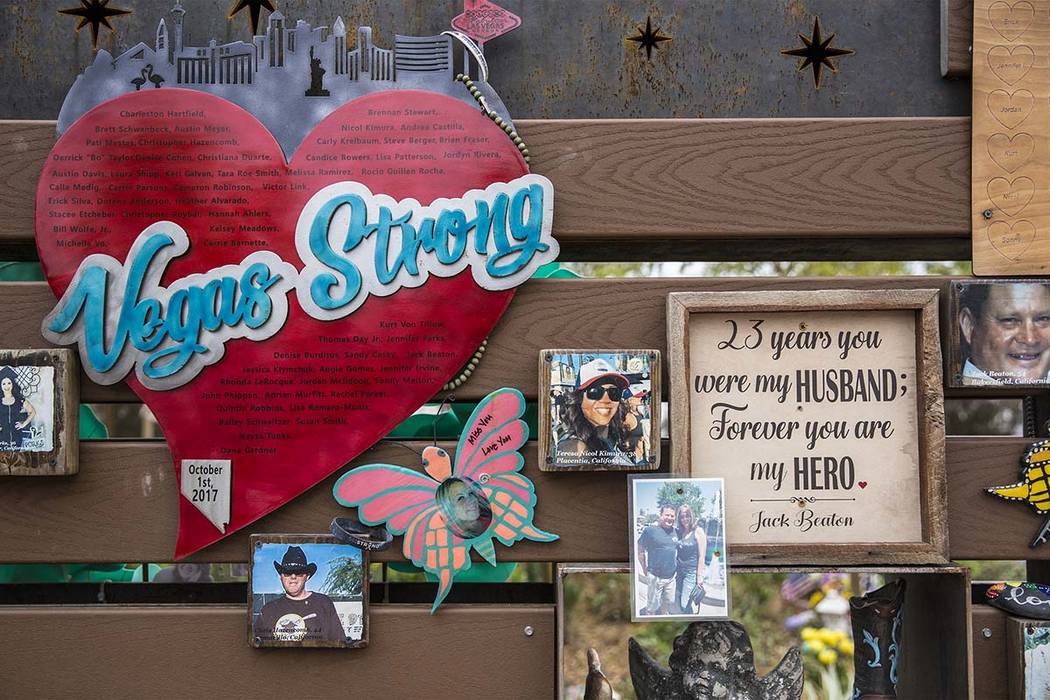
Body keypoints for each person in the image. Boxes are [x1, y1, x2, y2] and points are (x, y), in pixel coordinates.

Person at [959, 283, 1050, 385]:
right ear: (969, 325)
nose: (1030, 339)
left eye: (1043, 319)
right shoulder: (942, 396)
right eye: (1009, 320)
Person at [254, 546, 345, 643]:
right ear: (280, 576)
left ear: (307, 576)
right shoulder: (268, 610)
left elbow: (339, 643)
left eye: (299, 572)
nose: (293, 577)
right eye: (287, 572)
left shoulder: (324, 603)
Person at [555, 358, 634, 466]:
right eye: (595, 392)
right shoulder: (574, 448)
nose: (606, 400)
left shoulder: (614, 437)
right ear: (579, 399)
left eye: (614, 392)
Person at [637, 504, 678, 615]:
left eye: (672, 516)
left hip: (671, 577)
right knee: (652, 607)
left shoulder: (676, 532)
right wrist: (644, 567)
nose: (670, 518)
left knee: (669, 601)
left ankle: (664, 615)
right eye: (667, 515)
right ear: (661, 515)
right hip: (656, 576)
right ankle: (649, 621)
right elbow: (640, 549)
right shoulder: (650, 531)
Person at [674, 504, 707, 614]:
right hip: (679, 572)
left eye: (687, 516)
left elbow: (702, 556)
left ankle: (691, 622)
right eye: (682, 517)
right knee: (678, 601)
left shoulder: (698, 531)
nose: (685, 519)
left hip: (691, 573)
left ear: (691, 516)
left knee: (685, 603)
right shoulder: (680, 531)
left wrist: (699, 577)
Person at [0, 367, 34, 450]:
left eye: (9, 383)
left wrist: (23, 424)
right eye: (3, 384)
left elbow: (32, 412)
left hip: (16, 436)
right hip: (1, 436)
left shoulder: (19, 400)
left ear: (12, 384)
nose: (6, 386)